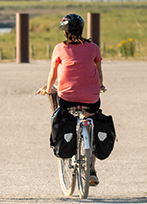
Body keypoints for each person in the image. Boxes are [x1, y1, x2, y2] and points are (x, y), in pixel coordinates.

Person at [37, 13, 104, 186]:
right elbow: (98, 72)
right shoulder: (93, 48)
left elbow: (53, 73)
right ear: (82, 30)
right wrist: (100, 86)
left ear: (65, 33)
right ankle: (91, 168)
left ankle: (69, 148)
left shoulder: (60, 48)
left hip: (66, 98)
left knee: (65, 118)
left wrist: (47, 88)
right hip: (91, 99)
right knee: (92, 121)